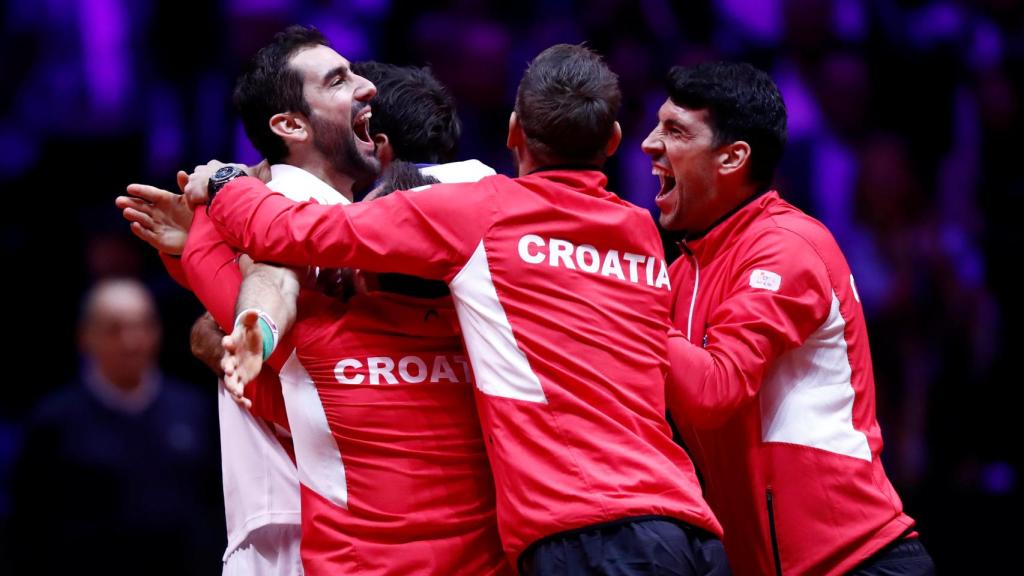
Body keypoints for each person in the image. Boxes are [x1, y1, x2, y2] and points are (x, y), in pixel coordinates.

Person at [192, 43, 728, 575]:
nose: (362, 89)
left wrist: (222, 187)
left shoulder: (478, 212)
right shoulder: (642, 231)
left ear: (514, 130)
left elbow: (288, 234)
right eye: (338, 81)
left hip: (589, 533)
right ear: (613, 140)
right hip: (690, 520)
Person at [641, 61, 935, 575]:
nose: (648, 143)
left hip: (860, 563)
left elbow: (715, 389)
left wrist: (623, 300)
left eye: (674, 130)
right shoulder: (682, 274)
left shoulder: (788, 247)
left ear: (732, 157)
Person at [225, 162, 509, 575]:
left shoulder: (315, 339)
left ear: (358, 270)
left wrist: (220, 190)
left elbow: (221, 275)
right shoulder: (493, 338)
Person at [10, 279, 221, 575]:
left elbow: (213, 509)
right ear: (85, 336)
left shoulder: (194, 410)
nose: (131, 341)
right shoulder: (54, 420)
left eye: (143, 326)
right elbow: (30, 524)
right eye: (114, 329)